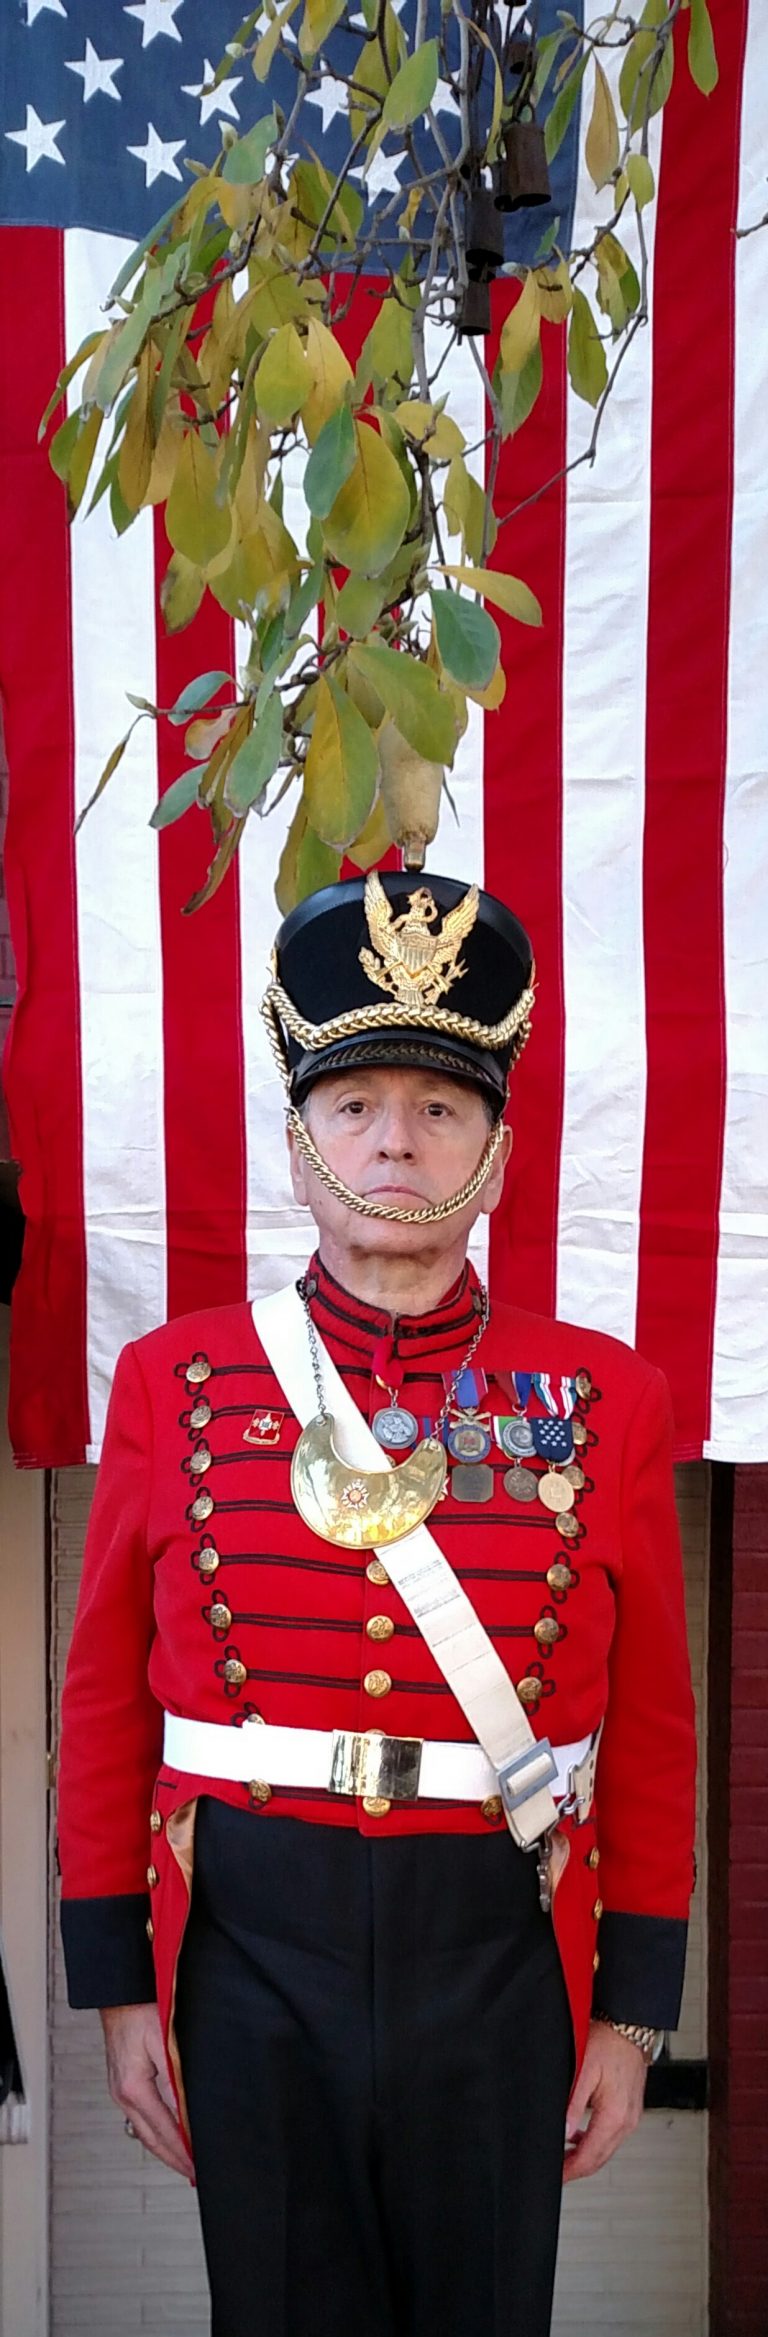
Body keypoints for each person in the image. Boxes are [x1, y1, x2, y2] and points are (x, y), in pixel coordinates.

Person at [58, 869, 697, 2337]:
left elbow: (655, 1731)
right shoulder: (176, 1382)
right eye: (355, 1105)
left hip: (496, 1949)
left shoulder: (607, 1396)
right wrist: (116, 1987)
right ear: (300, 1145)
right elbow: (104, 1706)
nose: (395, 1140)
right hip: (248, 1950)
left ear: (498, 1146)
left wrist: (633, 2003)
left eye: (437, 1105)